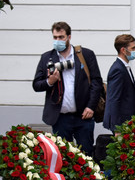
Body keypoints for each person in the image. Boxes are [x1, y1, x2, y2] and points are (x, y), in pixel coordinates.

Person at [32, 22, 103, 156]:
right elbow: (36, 85)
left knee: (86, 154)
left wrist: (91, 107)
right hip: (60, 118)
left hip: (83, 116)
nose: (58, 41)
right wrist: (50, 81)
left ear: (69, 37)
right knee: (63, 157)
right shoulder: (47, 57)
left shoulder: (85, 55)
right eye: (55, 37)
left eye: (61, 37)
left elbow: (96, 82)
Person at [103, 34, 135, 132]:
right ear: (123, 50)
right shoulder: (118, 69)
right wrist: (117, 128)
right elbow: (114, 99)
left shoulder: (125, 67)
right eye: (133, 48)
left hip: (127, 122)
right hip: (121, 124)